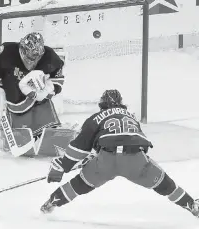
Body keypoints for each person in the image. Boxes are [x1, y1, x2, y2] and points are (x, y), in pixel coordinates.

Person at [40, 89, 199, 218]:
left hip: (106, 161)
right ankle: (192, 205)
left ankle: (50, 204)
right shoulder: (131, 117)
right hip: (135, 160)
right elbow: (135, 142)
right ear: (121, 104)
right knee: (165, 185)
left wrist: (64, 166)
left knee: (78, 185)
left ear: (102, 105)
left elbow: (78, 148)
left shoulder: (96, 117)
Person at [0, 32, 77, 157]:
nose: (30, 62)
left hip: (37, 98)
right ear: (21, 48)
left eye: (35, 59)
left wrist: (48, 91)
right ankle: (16, 132)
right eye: (27, 58)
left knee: (43, 104)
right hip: (11, 100)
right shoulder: (5, 52)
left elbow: (58, 80)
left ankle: (48, 129)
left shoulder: (50, 57)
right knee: (15, 113)